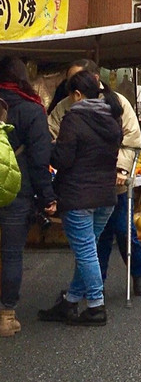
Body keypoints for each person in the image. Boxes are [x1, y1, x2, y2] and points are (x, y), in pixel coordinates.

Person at [49, 59, 141, 297]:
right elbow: (51, 134)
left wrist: (121, 170)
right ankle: (93, 286)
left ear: (94, 79)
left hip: (114, 183)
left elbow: (131, 141)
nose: (73, 85)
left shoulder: (117, 103)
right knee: (93, 241)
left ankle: (138, 272)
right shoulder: (65, 106)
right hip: (83, 183)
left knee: (124, 231)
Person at [38, 70, 123, 326]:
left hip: (78, 195)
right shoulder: (112, 116)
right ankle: (71, 302)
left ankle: (96, 306)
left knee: (86, 252)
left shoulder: (74, 118)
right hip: (106, 195)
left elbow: (63, 159)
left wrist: (48, 149)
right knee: (89, 250)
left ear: (77, 94)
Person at [0, 57, 57, 336]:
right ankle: (6, 317)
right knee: (11, 254)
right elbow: (39, 159)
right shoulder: (32, 109)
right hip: (17, 192)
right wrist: (47, 197)